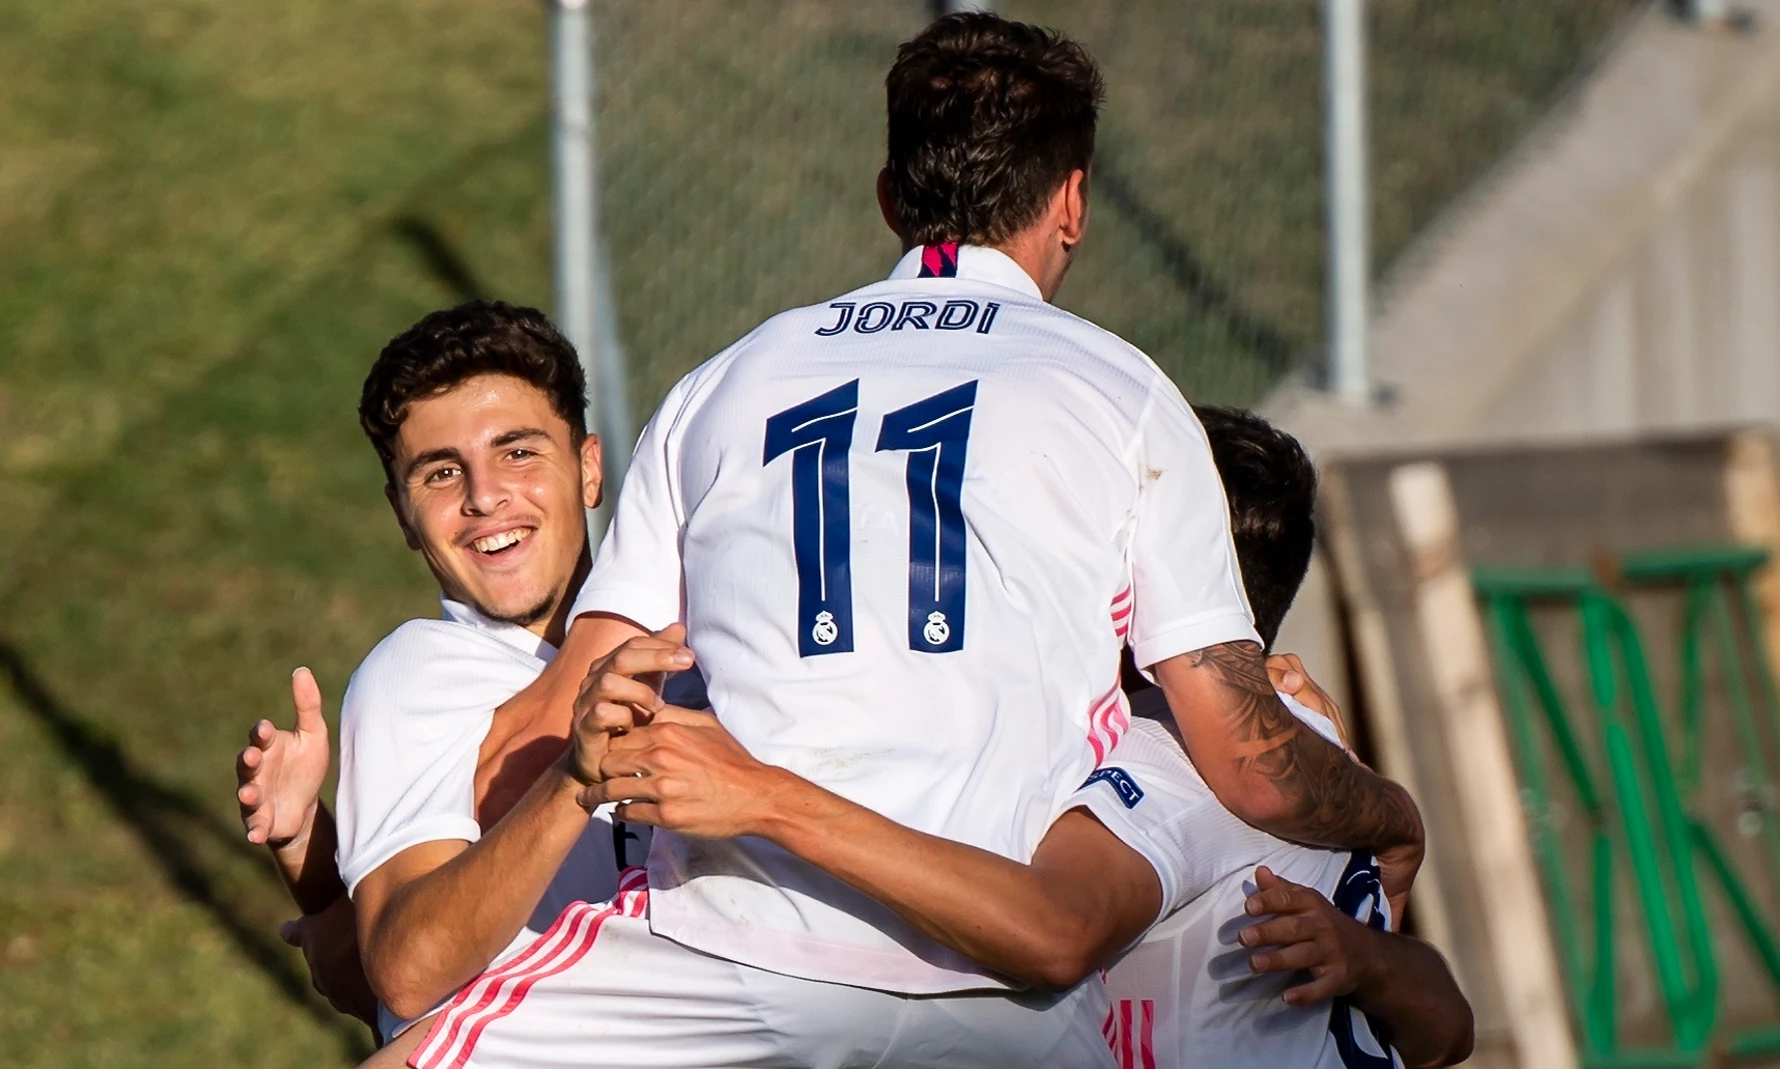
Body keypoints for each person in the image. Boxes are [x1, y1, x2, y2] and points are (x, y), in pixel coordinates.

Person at [248, 13, 1421, 1068]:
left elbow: (558, 717)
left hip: (738, 963)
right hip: (996, 989)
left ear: (887, 199)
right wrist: (1383, 812)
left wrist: (348, 852)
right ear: (1071, 200)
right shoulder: (1127, 393)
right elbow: (1246, 760)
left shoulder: (727, 382)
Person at [572, 407, 1472, 1069]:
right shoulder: (1296, 734)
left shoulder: (1181, 766)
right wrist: (1381, 922)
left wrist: (765, 795)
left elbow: (1054, 930)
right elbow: (1445, 1029)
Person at [234, 300, 652, 1041]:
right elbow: (410, 973)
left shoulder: (699, 637)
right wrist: (571, 783)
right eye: (440, 474)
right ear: (401, 513)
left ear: (589, 468)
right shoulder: (418, 676)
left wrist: (322, 883)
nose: (484, 496)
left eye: (518, 452)